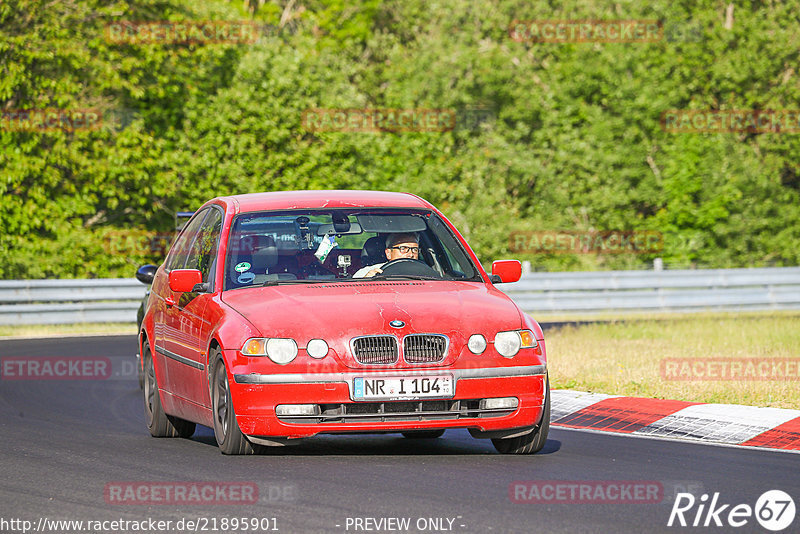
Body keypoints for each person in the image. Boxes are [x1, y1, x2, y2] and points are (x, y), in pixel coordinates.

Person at [352, 232, 420, 278]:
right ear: (388, 253)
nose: (410, 254)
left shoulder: (426, 273)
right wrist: (366, 281)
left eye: (415, 249)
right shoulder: (366, 272)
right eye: (403, 248)